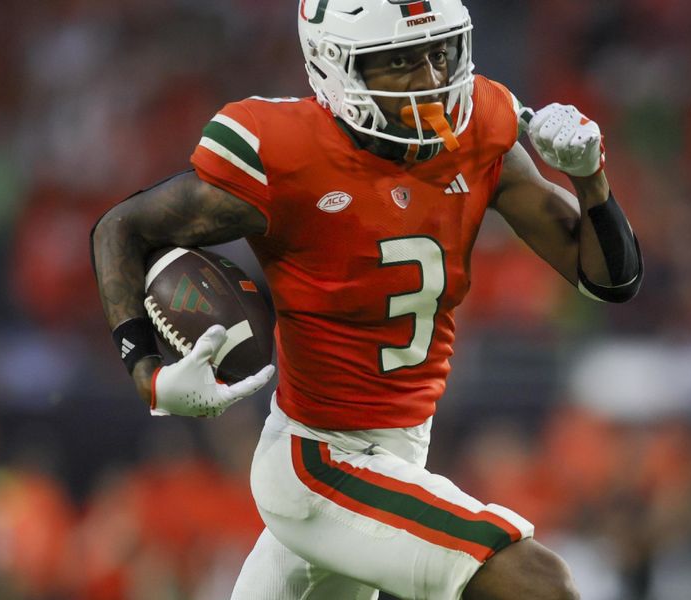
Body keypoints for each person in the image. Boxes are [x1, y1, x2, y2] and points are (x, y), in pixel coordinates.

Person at [91, 1, 642, 598]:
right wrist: (148, 375)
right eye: (399, 62)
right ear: (335, 67)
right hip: (317, 462)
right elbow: (121, 228)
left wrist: (590, 178)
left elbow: (610, 280)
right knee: (538, 583)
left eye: (438, 53)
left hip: (400, 451)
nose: (430, 80)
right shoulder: (287, 152)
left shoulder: (479, 128)